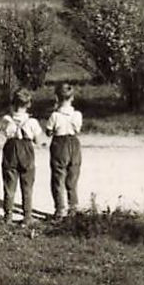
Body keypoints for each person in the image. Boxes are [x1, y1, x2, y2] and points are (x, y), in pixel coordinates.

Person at [0, 88, 44, 226]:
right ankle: (27, 215)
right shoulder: (32, 122)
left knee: (9, 185)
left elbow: (5, 133)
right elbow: (37, 140)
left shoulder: (6, 120)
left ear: (13, 103)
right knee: (27, 184)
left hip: (10, 150)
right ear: (29, 104)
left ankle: (8, 216)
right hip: (26, 150)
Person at [44, 82, 84, 218]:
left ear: (57, 98)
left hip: (59, 144)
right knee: (73, 176)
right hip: (74, 143)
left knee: (58, 177)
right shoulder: (77, 114)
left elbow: (48, 132)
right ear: (72, 98)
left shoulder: (54, 115)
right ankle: (73, 207)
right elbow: (78, 130)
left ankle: (60, 209)